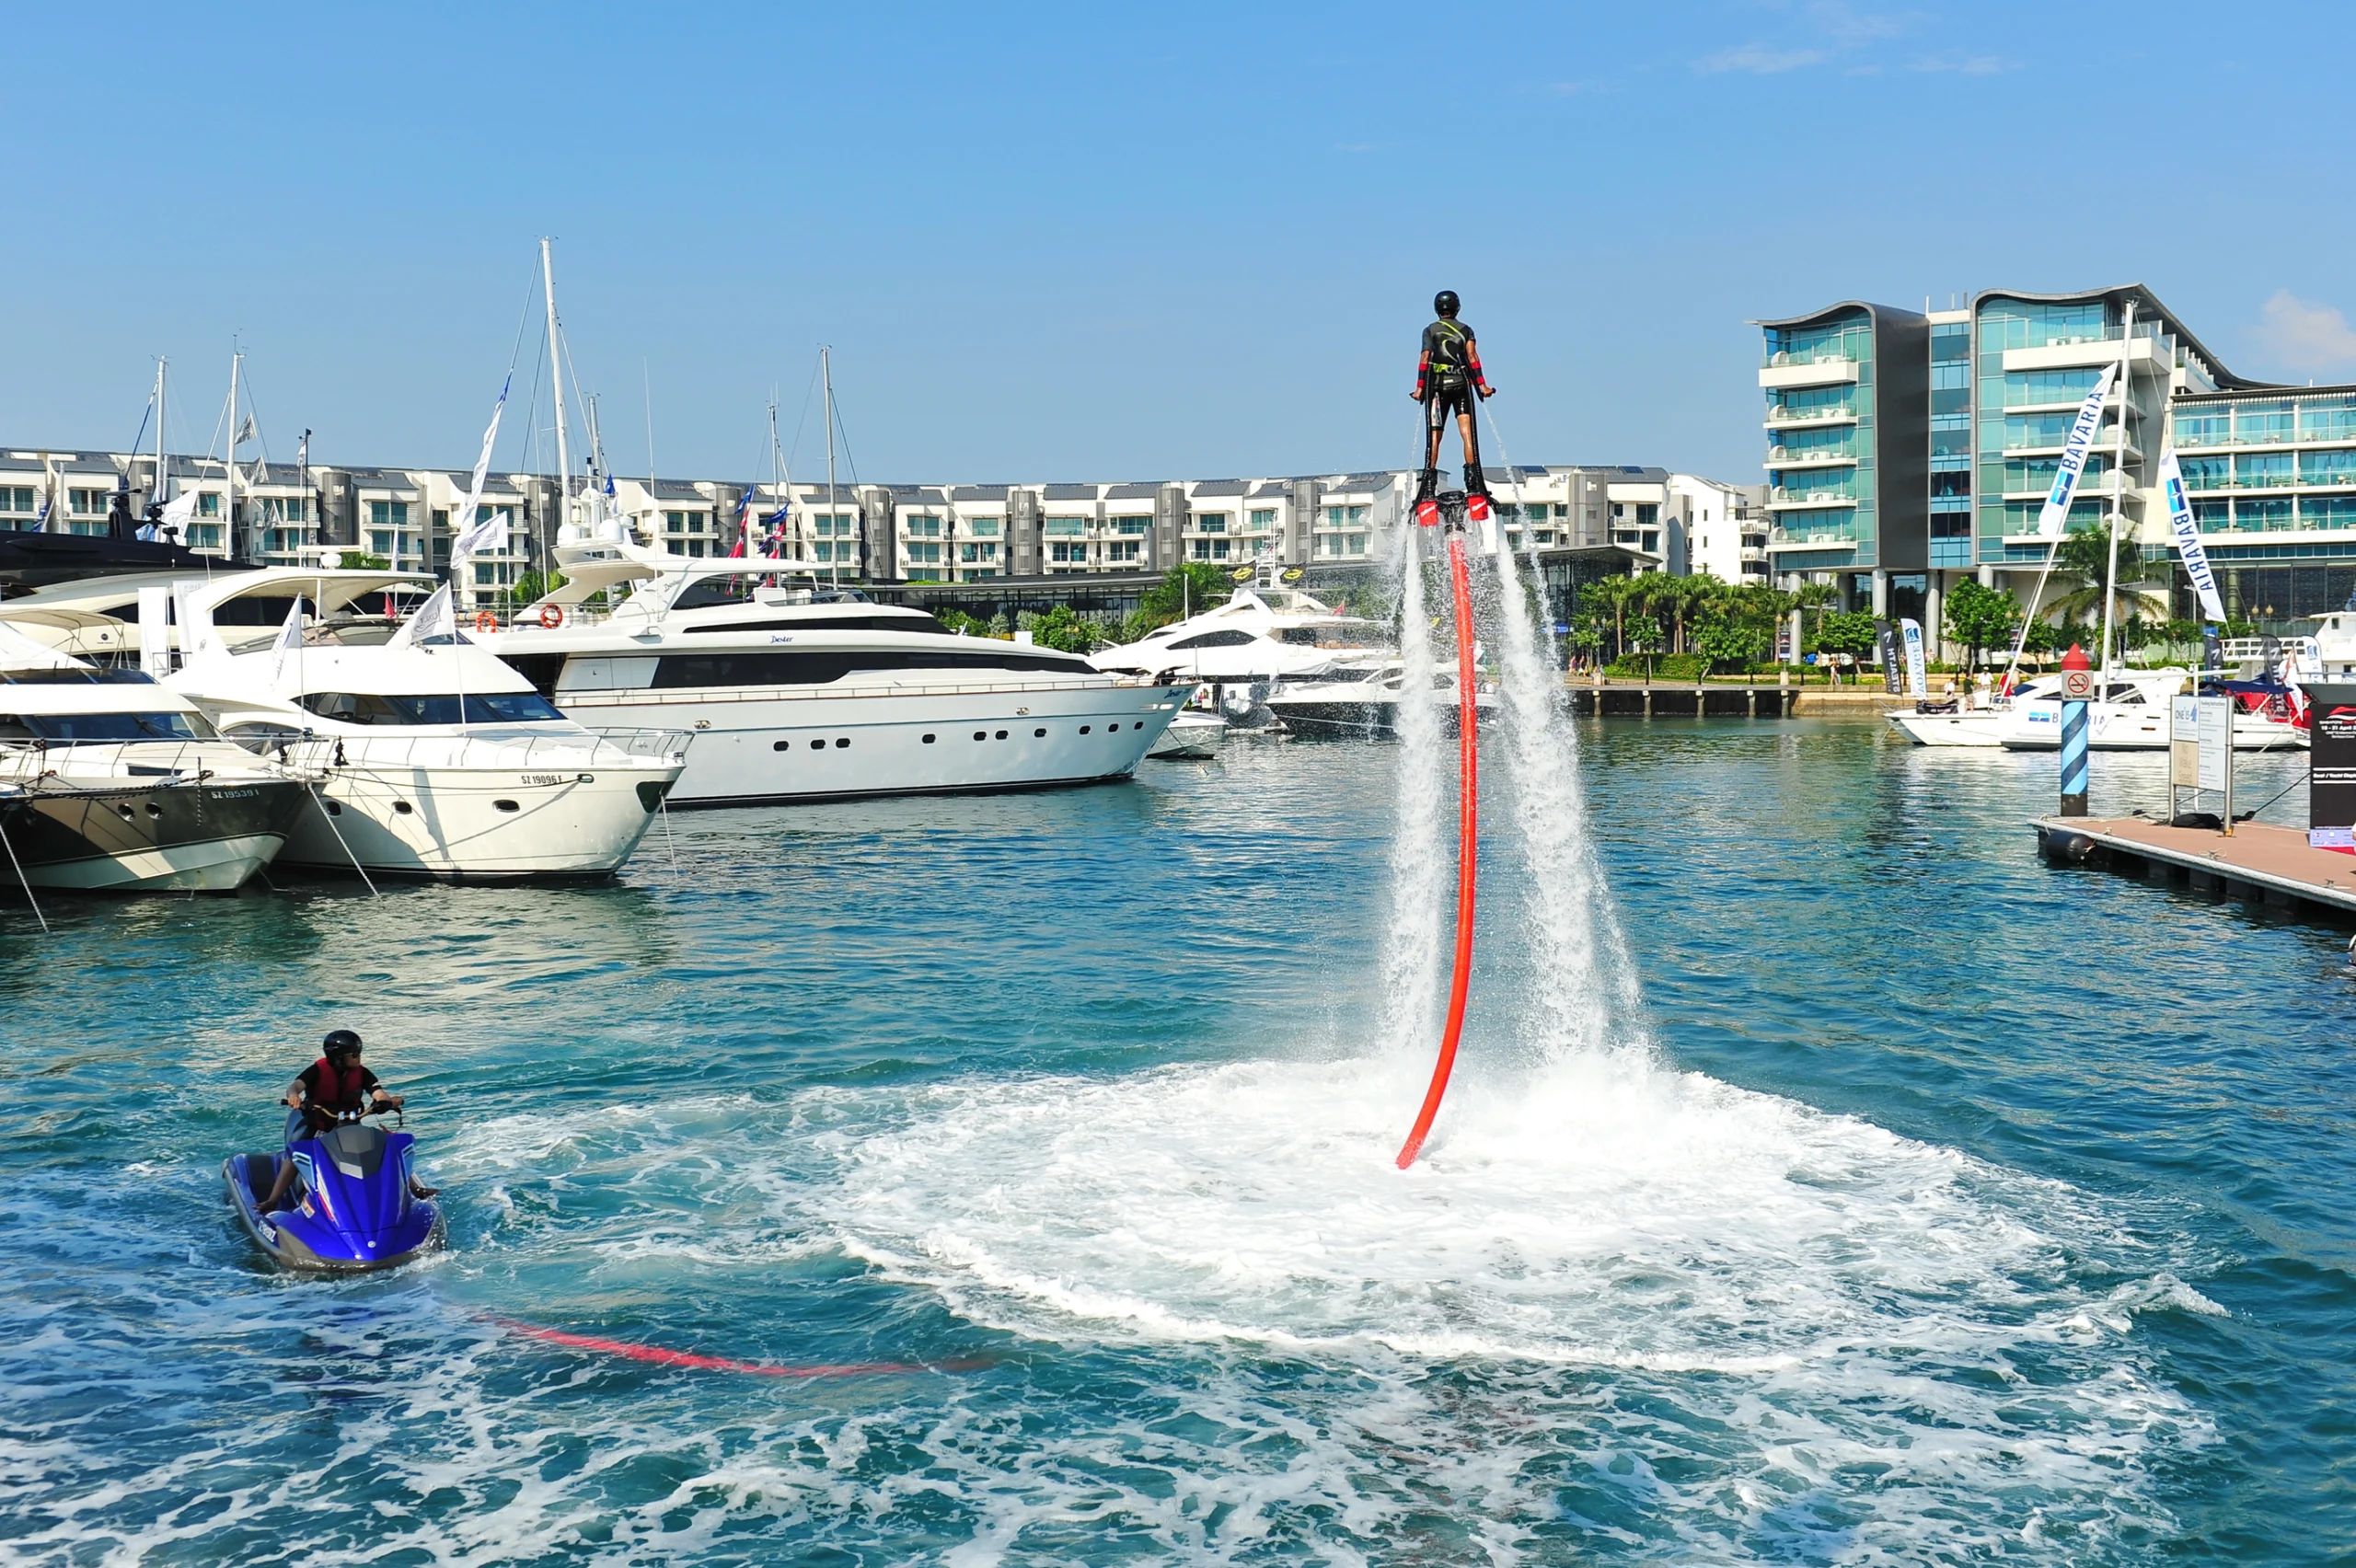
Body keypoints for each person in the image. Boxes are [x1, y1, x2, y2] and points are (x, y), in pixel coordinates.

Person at [261, 1029, 436, 1208]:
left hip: (351, 1126)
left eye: (359, 1052)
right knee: (295, 1152)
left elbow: (378, 1092)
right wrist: (294, 1096)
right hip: (319, 1125)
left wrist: (384, 1102)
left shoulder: (363, 1073)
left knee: (388, 1147)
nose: (359, 1057)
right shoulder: (317, 1070)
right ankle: (273, 1199)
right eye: (354, 1054)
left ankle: (414, 1189)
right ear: (338, 1057)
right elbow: (295, 1086)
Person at [1410, 291, 1496, 505]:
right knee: (1467, 435)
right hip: (1461, 387)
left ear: (1437, 309)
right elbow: (1472, 357)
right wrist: (1482, 385)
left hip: (1436, 390)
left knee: (1434, 437)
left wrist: (1419, 388)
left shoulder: (1430, 330)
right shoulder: (1466, 330)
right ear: (1457, 308)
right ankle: (1473, 483)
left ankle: (1428, 486)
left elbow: (1425, 357)